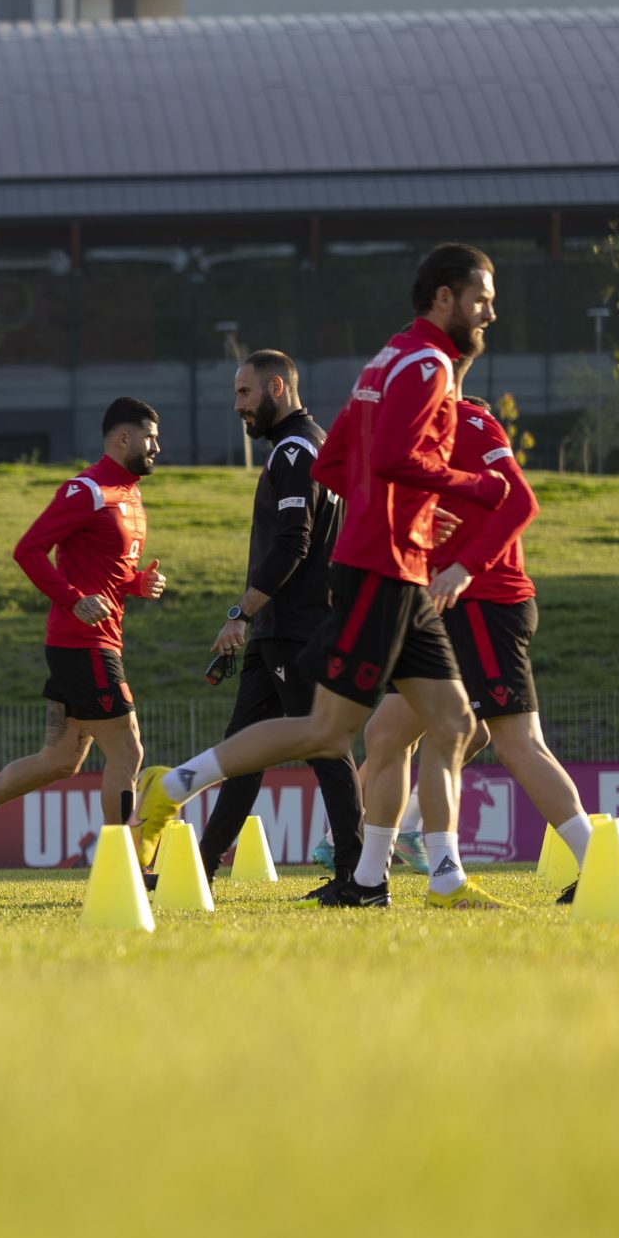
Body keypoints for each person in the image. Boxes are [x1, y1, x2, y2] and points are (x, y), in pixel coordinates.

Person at [135, 245, 508, 909]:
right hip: (382, 569)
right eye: (481, 299)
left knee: (453, 722)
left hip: (396, 563)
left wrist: (398, 517)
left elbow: (339, 463)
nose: (491, 312)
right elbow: (391, 458)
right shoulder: (426, 364)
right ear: (445, 299)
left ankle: (425, 879)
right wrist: (470, 488)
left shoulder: (389, 358)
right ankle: (174, 786)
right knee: (324, 731)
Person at [359, 353, 596, 904]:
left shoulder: (470, 420)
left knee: (517, 742)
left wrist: (465, 568)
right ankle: (367, 881)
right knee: (385, 736)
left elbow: (514, 500)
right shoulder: (416, 438)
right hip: (439, 610)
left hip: (484, 605)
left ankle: (605, 864)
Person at [0, 401, 167, 877]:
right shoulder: (87, 489)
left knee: (59, 760)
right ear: (122, 439)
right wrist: (73, 597)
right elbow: (28, 550)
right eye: (150, 438)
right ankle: (126, 870)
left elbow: (107, 569)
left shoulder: (131, 496)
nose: (157, 447)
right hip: (83, 641)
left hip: (98, 638)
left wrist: (136, 584)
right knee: (128, 751)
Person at [193, 352, 364, 884]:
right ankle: (199, 868)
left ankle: (357, 875)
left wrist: (241, 611)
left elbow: (294, 541)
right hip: (283, 630)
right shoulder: (317, 443)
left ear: (276, 387)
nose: (238, 406)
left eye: (244, 394)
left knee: (326, 748)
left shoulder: (294, 450)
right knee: (241, 752)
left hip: (296, 629)